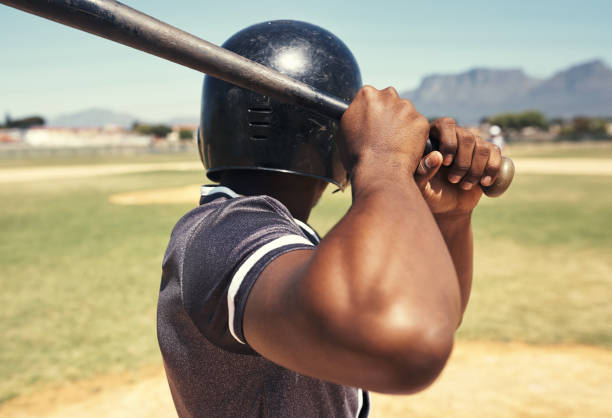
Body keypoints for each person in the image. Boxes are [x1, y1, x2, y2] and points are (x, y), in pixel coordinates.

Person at [157, 20, 502, 418]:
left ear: (207, 139)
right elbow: (408, 344)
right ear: (336, 141)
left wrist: (450, 220)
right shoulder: (227, 233)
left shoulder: (264, 233)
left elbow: (435, 316)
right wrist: (384, 163)